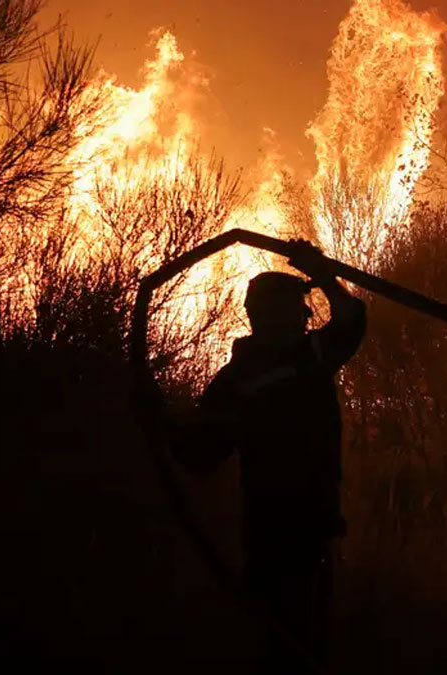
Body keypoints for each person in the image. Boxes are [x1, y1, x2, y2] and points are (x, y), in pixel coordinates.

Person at [174, 241, 366, 674]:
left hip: (301, 526)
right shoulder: (280, 367)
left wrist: (320, 273)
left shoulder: (271, 367)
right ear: (272, 315)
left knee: (298, 640)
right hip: (280, 529)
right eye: (299, 309)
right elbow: (199, 455)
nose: (306, 317)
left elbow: (350, 321)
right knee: (288, 642)